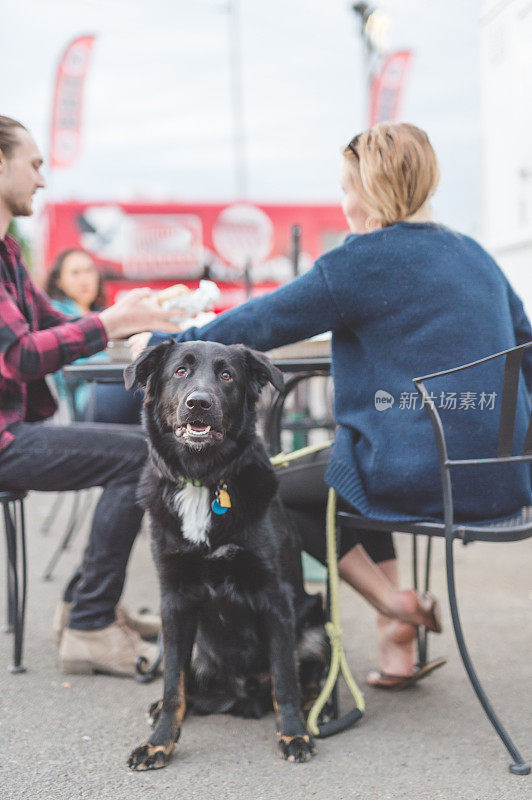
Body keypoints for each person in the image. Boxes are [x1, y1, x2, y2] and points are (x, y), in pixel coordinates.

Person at [130, 122, 532, 689]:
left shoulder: (360, 261)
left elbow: (261, 322)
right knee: (349, 468)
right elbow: (525, 344)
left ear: (369, 189)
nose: (343, 202)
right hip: (502, 477)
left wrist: (165, 344)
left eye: (346, 187)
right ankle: (397, 644)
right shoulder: (476, 256)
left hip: (416, 475)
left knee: (272, 490)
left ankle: (393, 604)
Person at [0, 115, 182, 677]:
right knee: (143, 454)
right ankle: (89, 623)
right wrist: (111, 323)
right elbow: (21, 356)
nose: (42, 179)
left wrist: (133, 320)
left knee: (138, 448)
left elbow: (57, 324)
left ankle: (86, 608)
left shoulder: (8, 252)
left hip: (15, 431)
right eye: (33, 164)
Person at [45, 248, 142, 423]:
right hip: (85, 399)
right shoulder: (54, 314)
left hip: (112, 388)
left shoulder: (102, 314)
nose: (85, 279)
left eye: (89, 271)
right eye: (75, 273)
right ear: (59, 281)